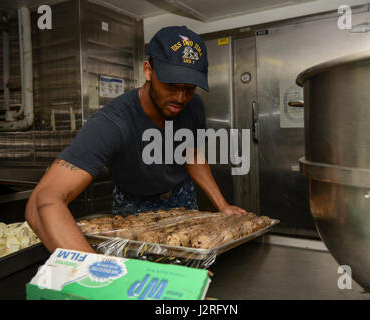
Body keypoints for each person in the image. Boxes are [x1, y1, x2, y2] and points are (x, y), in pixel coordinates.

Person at [25, 26, 247, 253]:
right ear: (148, 70)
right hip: (134, 206)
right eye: (171, 85)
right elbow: (44, 198)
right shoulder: (114, 121)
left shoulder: (194, 106)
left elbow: (191, 154)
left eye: (189, 89)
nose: (180, 98)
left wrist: (222, 205)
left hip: (182, 198)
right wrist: (95, 272)